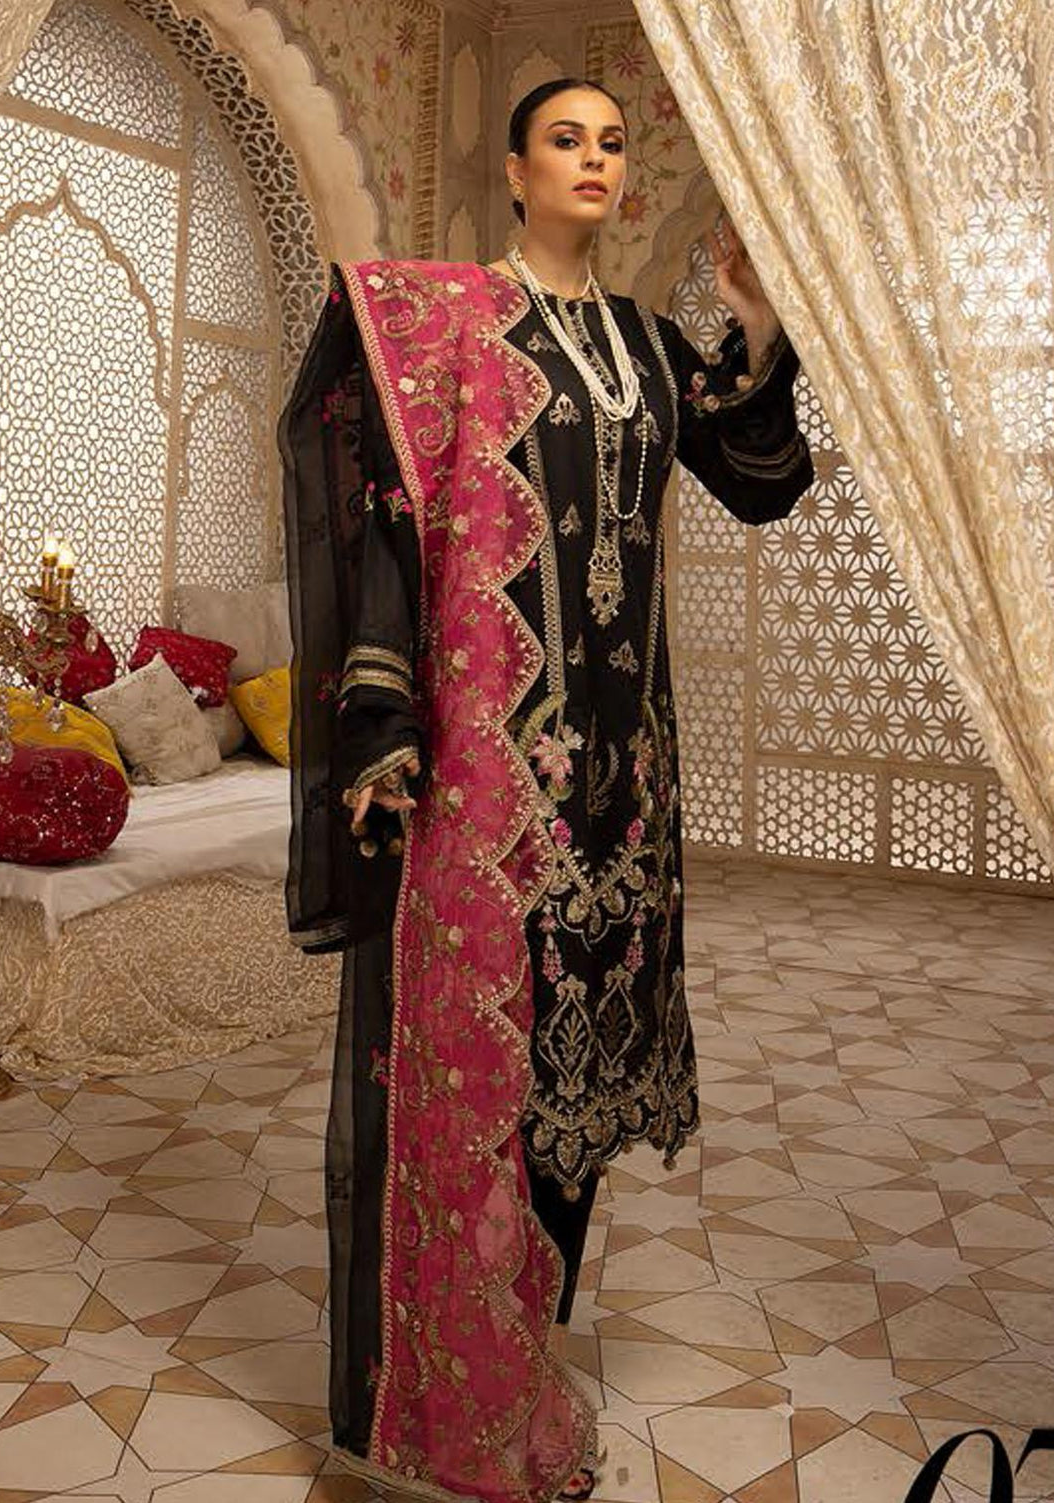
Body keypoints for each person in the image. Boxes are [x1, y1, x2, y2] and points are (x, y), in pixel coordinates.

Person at [279, 76, 814, 1503]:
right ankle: (456, 1402)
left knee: (575, 1087)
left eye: (612, 143)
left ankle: (520, 1348)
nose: (595, 160)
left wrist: (758, 326)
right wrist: (381, 716)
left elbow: (760, 478)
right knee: (483, 1084)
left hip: (623, 789)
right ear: (514, 169)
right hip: (489, 774)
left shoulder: (647, 344)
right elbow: (384, 517)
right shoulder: (453, 322)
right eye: (566, 140)